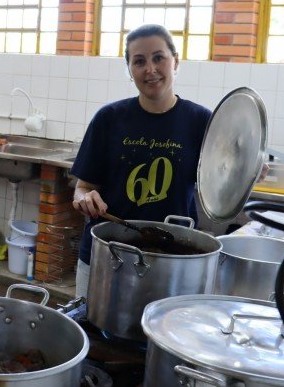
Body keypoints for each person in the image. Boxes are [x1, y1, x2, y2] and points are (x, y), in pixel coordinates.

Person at [70, 24, 212, 299]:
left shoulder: (201, 121)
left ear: (176, 61)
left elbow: (223, 183)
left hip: (174, 259)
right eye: (139, 61)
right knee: (96, 335)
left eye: (158, 57)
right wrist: (85, 199)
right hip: (107, 254)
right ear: (129, 69)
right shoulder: (108, 118)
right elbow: (82, 187)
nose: (150, 69)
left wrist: (246, 174)